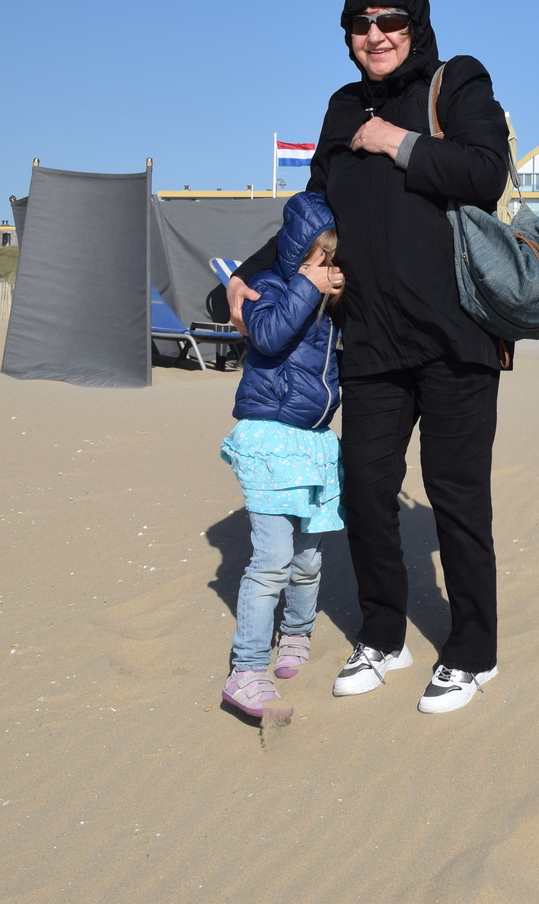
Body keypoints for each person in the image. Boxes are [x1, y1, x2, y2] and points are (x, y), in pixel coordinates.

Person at [226, 0, 511, 715]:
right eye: (362, 24)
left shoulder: (457, 81)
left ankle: (473, 651)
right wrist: (246, 277)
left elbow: (486, 172)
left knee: (455, 495)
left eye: (391, 22)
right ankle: (384, 635)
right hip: (372, 342)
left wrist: (397, 142)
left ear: (416, 25)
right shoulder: (342, 106)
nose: (376, 35)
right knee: (365, 490)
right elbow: (313, 214)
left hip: (456, 338)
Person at [219, 191, 346, 721]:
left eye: (333, 257)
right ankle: (246, 670)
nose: (327, 266)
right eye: (320, 255)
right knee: (272, 559)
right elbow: (269, 336)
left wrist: (327, 292)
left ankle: (296, 633)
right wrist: (305, 284)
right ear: (297, 251)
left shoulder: (324, 301)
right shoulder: (268, 287)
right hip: (270, 441)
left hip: (314, 445)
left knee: (308, 560)